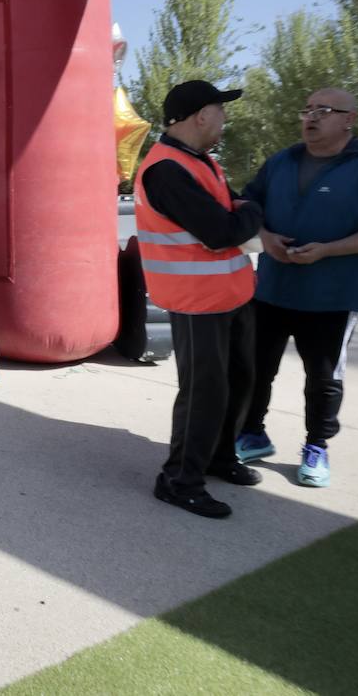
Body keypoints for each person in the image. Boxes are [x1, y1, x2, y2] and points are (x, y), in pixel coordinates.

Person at [235, 88, 358, 487]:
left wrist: (330, 250)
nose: (310, 118)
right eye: (307, 110)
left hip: (333, 295)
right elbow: (247, 205)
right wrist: (264, 236)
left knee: (323, 378)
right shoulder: (281, 161)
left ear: (349, 118)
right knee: (255, 368)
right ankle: (251, 432)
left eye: (323, 111)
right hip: (272, 289)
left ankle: (316, 446)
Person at [134, 80, 263, 519]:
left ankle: (219, 458)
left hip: (231, 295)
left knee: (239, 381)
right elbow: (222, 231)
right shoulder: (165, 169)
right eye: (220, 110)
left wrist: (240, 212)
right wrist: (252, 210)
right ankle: (179, 480)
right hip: (196, 301)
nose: (225, 119)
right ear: (200, 116)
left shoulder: (200, 161)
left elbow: (228, 220)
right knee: (204, 393)